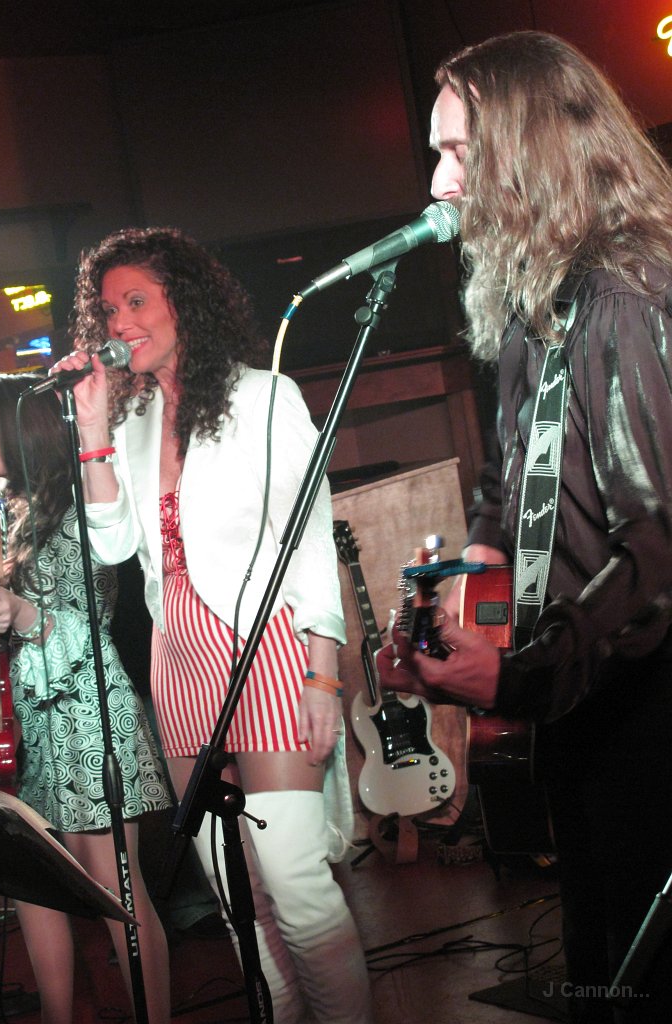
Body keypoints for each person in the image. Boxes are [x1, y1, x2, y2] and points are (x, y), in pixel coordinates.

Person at [377, 30, 672, 1024]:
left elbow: (657, 547)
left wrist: (515, 680)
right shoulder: (532, 307)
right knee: (595, 966)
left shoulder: (623, 294)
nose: (437, 181)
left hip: (646, 714)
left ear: (530, 147)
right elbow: (506, 488)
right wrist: (475, 591)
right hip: (580, 707)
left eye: (457, 151)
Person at [50, 226, 373, 1024]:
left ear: (184, 302)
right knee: (238, 896)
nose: (120, 322)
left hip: (266, 650)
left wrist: (324, 674)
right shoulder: (131, 424)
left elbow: (309, 538)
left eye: (136, 300)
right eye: (108, 309)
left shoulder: (265, 397)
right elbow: (114, 547)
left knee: (295, 883)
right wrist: (92, 433)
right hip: (180, 661)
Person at [0, 372, 172, 1024]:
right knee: (34, 883)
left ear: (23, 432)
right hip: (36, 722)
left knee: (115, 892)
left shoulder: (78, 509)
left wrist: (22, 614)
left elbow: (86, 627)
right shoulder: (5, 512)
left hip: (89, 717)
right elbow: (28, 633)